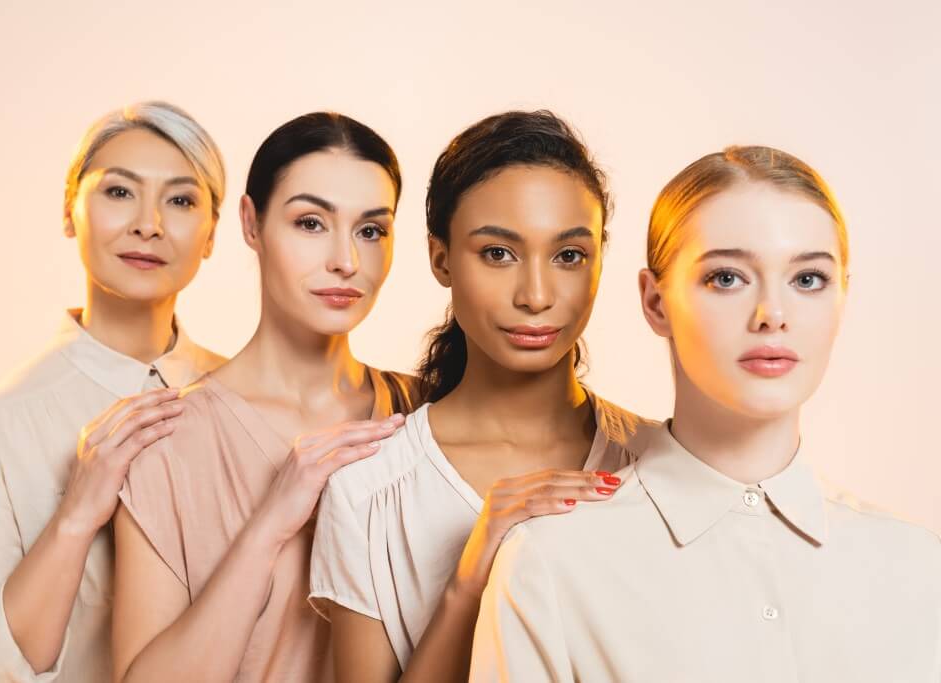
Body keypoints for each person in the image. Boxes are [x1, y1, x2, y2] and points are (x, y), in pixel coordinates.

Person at [470, 145, 941, 682]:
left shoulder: (918, 567)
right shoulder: (551, 564)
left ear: (843, 298)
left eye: (808, 279)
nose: (773, 315)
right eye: (726, 278)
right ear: (655, 302)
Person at [309, 111, 657, 682]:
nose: (537, 295)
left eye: (568, 255)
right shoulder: (368, 493)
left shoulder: (659, 461)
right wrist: (469, 579)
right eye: (499, 253)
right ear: (441, 258)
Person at [111, 112, 418, 682]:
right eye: (310, 223)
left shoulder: (422, 413)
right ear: (251, 224)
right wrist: (271, 521)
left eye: (371, 230)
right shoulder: (165, 440)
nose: (346, 261)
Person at [0, 101, 226, 682]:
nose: (149, 223)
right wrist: (74, 516)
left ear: (214, 232)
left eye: (182, 200)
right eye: (119, 192)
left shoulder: (250, 397)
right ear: (70, 211)